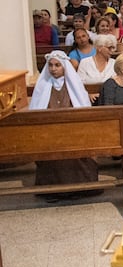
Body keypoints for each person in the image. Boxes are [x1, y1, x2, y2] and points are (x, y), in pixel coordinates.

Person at [29, 51, 98, 200]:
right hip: (49, 134)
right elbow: (36, 111)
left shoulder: (74, 85)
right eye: (51, 65)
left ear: (64, 67)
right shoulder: (43, 87)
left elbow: (82, 108)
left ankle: (79, 189)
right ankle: (52, 191)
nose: (53, 69)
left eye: (57, 65)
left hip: (73, 132)